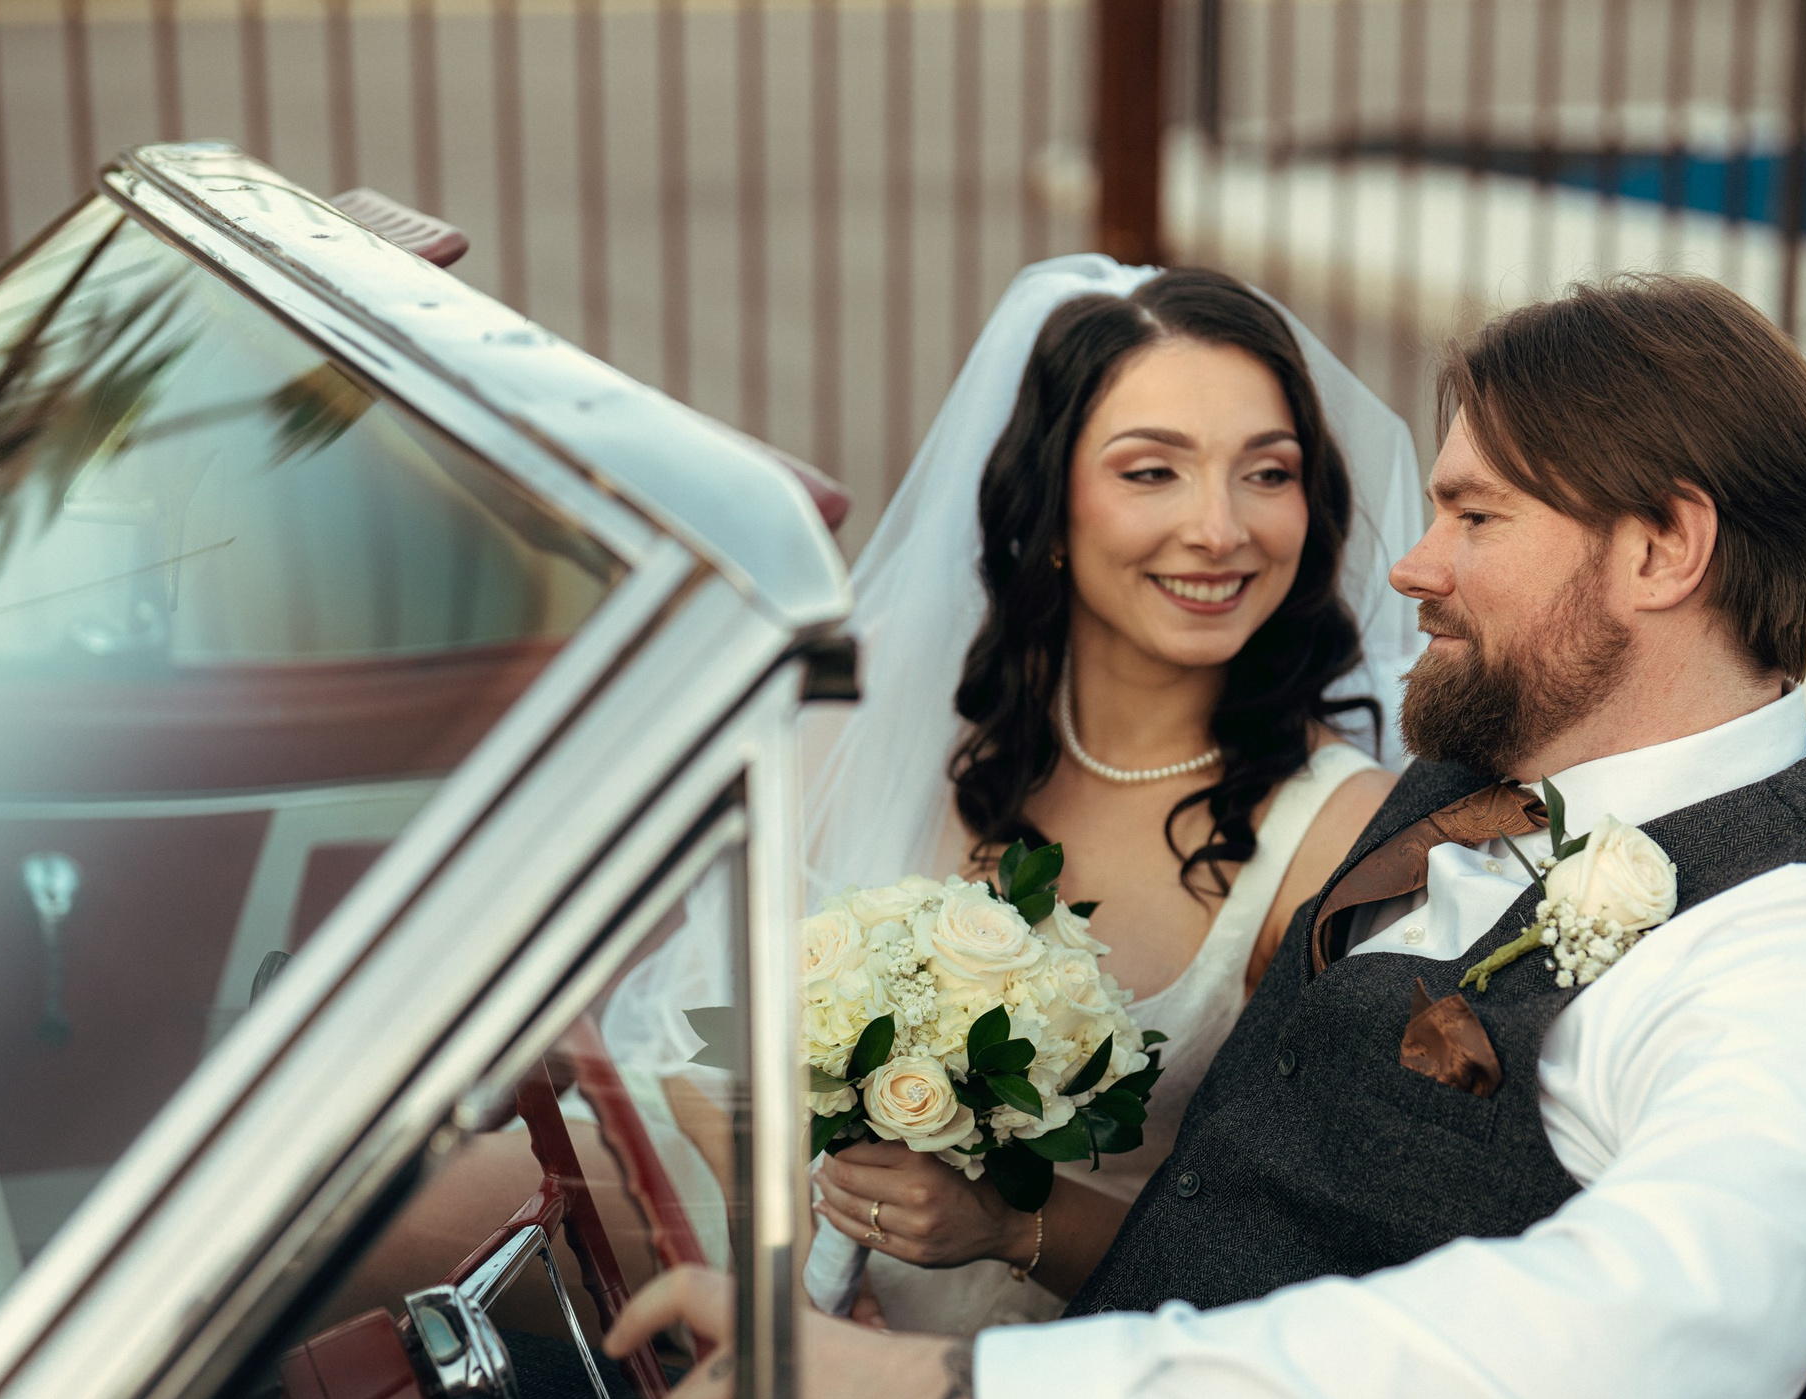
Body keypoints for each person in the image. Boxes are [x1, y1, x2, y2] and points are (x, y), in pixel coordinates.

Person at [607, 272, 1806, 1399]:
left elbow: (1647, 1331)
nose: (1411, 566)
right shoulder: (1473, 795)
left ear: (1664, 548)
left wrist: (966, 1397)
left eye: (1477, 517)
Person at [609, 258, 1421, 1335]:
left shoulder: (1336, 836)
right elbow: (697, 1042)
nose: (1221, 529)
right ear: (1048, 505)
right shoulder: (894, 698)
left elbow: (1282, 1252)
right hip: (744, 1232)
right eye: (1151, 473)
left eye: (1266, 475)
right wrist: (797, 1293)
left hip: (1025, 1358)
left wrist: (1011, 1220)